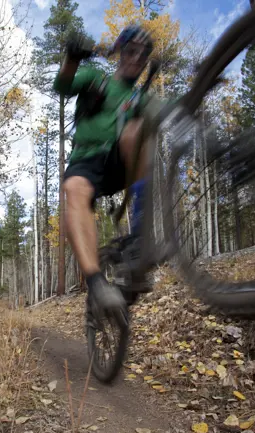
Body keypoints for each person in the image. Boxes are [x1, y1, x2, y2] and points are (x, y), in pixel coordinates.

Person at [52, 25, 155, 325]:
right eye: (131, 51)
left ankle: (138, 242)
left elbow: (172, 110)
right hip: (85, 159)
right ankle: (96, 284)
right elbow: (62, 85)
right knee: (75, 189)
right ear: (121, 53)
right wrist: (72, 57)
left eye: (143, 55)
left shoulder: (139, 98)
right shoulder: (96, 78)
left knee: (137, 129)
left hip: (117, 164)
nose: (137, 58)